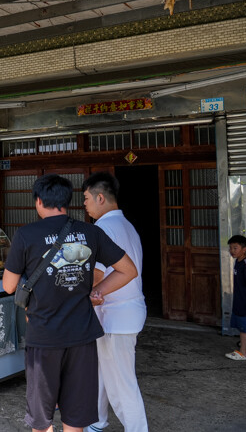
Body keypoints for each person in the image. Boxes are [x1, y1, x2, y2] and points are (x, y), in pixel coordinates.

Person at [2, 174, 138, 432]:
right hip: (82, 337)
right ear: (68, 201)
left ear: (39, 201)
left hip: (44, 337)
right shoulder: (91, 232)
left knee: (41, 419)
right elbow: (128, 270)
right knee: (75, 417)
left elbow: (9, 286)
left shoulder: (26, 235)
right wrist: (96, 290)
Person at [81, 172, 148, 432]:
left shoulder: (103, 229)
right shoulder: (126, 225)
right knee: (100, 373)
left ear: (100, 197)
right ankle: (96, 422)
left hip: (116, 316)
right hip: (123, 313)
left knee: (122, 385)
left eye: (86, 198)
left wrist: (85, 294)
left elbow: (96, 274)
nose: (84, 204)